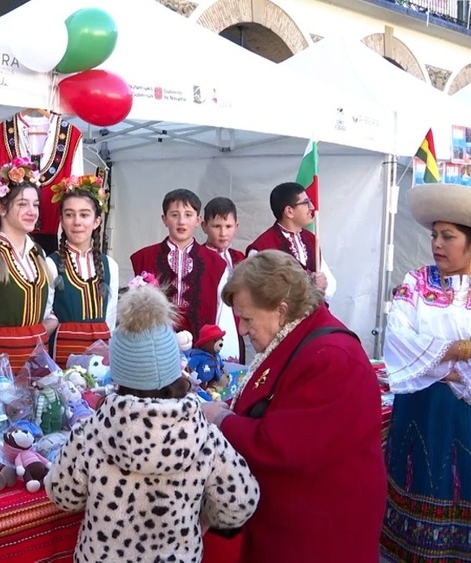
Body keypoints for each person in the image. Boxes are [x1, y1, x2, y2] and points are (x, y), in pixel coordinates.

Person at [46, 284, 258, 562]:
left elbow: (63, 495)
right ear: (175, 369)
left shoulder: (92, 433)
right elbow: (241, 502)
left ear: (118, 373)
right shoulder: (204, 435)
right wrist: (202, 514)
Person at [202, 250, 386, 563]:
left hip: (321, 528)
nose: (243, 330)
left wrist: (222, 420)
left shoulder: (330, 357)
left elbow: (284, 446)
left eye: (247, 318)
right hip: (297, 517)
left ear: (281, 310)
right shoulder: (299, 336)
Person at [381, 183, 471, 562]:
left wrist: (430, 359)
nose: (437, 244)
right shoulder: (416, 282)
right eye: (435, 235)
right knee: (425, 481)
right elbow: (398, 340)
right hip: (425, 410)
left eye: (448, 236)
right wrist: (466, 351)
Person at [0, 157, 57, 372]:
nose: (32, 211)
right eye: (22, 204)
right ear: (1, 208)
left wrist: (41, 331)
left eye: (35, 204)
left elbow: (47, 312)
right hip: (1, 376)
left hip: (37, 373)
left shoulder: (40, 256)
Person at [130, 189, 226, 337]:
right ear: (164, 219)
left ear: (198, 220)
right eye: (175, 215)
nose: (181, 221)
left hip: (202, 346)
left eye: (188, 215)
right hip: (153, 342)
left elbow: (222, 312)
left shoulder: (217, 263)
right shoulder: (143, 258)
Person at [45, 174, 119, 366]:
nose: (77, 222)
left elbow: (110, 317)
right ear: (62, 220)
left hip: (99, 361)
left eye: (84, 215)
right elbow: (45, 316)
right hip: (62, 358)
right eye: (69, 215)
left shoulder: (109, 265)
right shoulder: (50, 264)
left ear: (96, 222)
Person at [246, 182, 337, 303]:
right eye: (306, 203)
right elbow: (256, 293)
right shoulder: (263, 248)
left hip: (313, 314)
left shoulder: (311, 239)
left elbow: (329, 285)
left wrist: (322, 285)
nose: (312, 207)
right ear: (289, 211)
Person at [201, 196, 246, 363]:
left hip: (234, 327)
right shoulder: (198, 258)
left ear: (236, 226)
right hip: (207, 328)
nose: (223, 233)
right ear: (204, 226)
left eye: (228, 226)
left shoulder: (239, 258)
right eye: (216, 226)